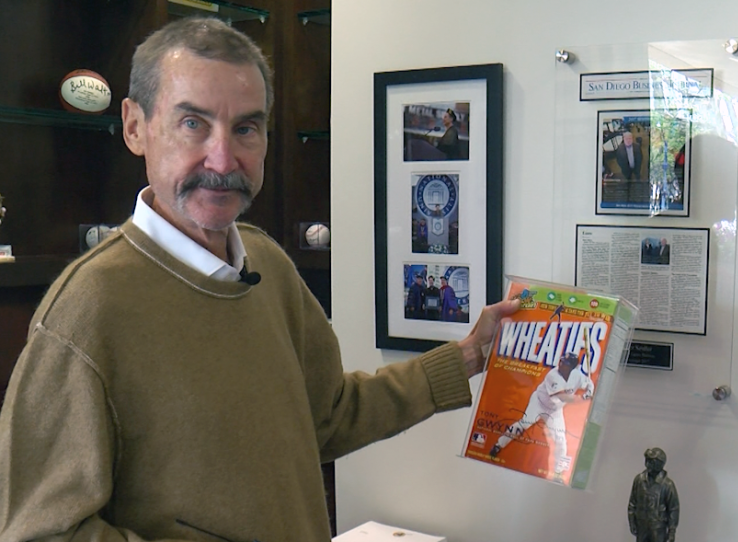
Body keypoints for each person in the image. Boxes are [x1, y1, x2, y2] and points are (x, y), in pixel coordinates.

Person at [0, 17, 519, 542]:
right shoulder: (86, 310)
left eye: (246, 127)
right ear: (136, 127)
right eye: (193, 124)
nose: (223, 160)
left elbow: (333, 415)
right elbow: (44, 532)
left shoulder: (268, 265)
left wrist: (471, 354)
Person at [488, 352, 593, 480]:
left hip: (555, 411)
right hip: (538, 403)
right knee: (524, 424)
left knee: (560, 439)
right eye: (561, 361)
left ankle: (559, 472)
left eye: (566, 364)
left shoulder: (577, 376)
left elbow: (586, 383)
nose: (561, 364)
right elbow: (563, 397)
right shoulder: (553, 375)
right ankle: (498, 445)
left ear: (573, 368)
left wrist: (590, 387)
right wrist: (583, 397)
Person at [628, 447, 680, 542]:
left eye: (651, 462)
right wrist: (632, 522)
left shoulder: (667, 485)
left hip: (658, 528)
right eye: (647, 460)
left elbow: (674, 509)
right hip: (642, 526)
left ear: (659, 464)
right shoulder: (639, 480)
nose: (648, 464)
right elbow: (632, 503)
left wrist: (672, 531)